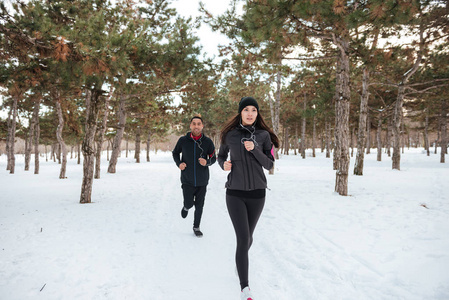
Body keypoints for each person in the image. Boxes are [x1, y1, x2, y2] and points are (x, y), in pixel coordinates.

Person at [217, 97, 280, 300]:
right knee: (243, 238)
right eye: (246, 109)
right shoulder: (230, 135)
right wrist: (223, 165)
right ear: (240, 113)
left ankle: (239, 261)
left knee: (248, 238)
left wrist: (255, 150)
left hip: (257, 195)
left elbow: (269, 164)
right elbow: (220, 156)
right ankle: (245, 288)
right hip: (234, 193)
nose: (250, 113)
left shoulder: (264, 136)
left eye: (254, 110)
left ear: (257, 113)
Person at [172, 115, 216, 237]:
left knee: (199, 205)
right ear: (190, 125)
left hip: (202, 180)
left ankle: (196, 227)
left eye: (198, 124)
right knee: (189, 203)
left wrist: (207, 162)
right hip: (187, 179)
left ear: (202, 126)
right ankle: (186, 207)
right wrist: (179, 163)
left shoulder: (207, 142)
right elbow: (175, 153)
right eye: (194, 124)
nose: (196, 126)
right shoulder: (183, 140)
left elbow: (214, 158)